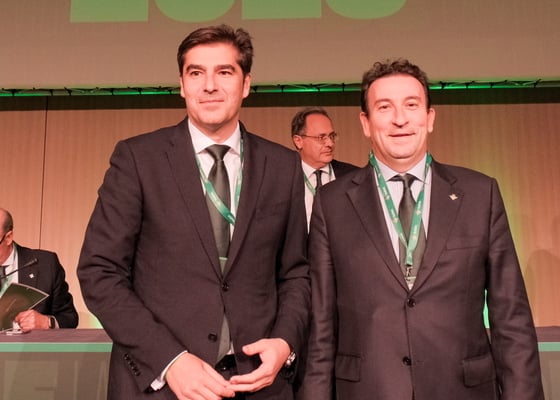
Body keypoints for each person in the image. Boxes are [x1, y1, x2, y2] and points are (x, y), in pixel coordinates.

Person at [77, 25, 310, 400]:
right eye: (196, 73)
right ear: (182, 85)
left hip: (259, 385)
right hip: (162, 385)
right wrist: (170, 361)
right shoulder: (138, 159)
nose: (209, 85)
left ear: (246, 84)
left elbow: (296, 273)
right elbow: (99, 272)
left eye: (224, 72)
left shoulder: (283, 166)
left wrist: (284, 341)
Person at [298, 59, 544, 400]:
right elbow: (321, 326)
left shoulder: (479, 194)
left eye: (411, 105)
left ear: (429, 118)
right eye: (385, 107)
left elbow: (511, 318)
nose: (400, 119)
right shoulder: (332, 203)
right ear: (365, 123)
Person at [0, 207, 78, 331]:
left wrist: (47, 322)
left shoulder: (46, 265)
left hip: (30, 343)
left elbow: (70, 318)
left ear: (8, 237)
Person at [291, 107, 358, 228]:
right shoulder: (283, 180)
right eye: (321, 138)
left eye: (331, 136)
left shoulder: (354, 176)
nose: (330, 143)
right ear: (298, 141)